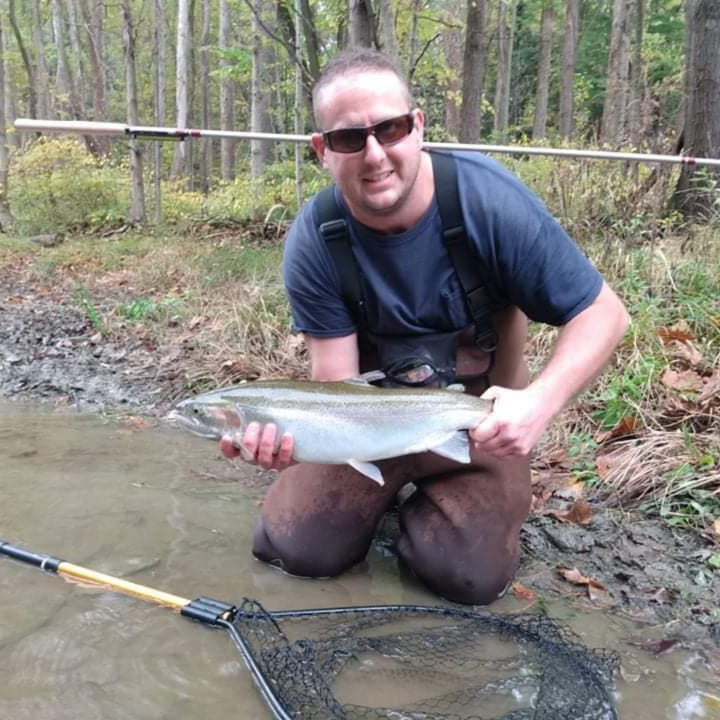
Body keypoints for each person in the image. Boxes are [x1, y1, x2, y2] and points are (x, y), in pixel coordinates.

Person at [221, 47, 630, 605]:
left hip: (477, 427)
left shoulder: (490, 204)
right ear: (322, 151)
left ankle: (430, 507)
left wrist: (537, 403)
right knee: (293, 551)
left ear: (418, 128)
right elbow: (336, 389)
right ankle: (384, 492)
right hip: (368, 428)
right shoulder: (317, 239)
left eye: (389, 129)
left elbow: (604, 314)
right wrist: (297, 443)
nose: (373, 154)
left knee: (466, 576)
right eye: (348, 138)